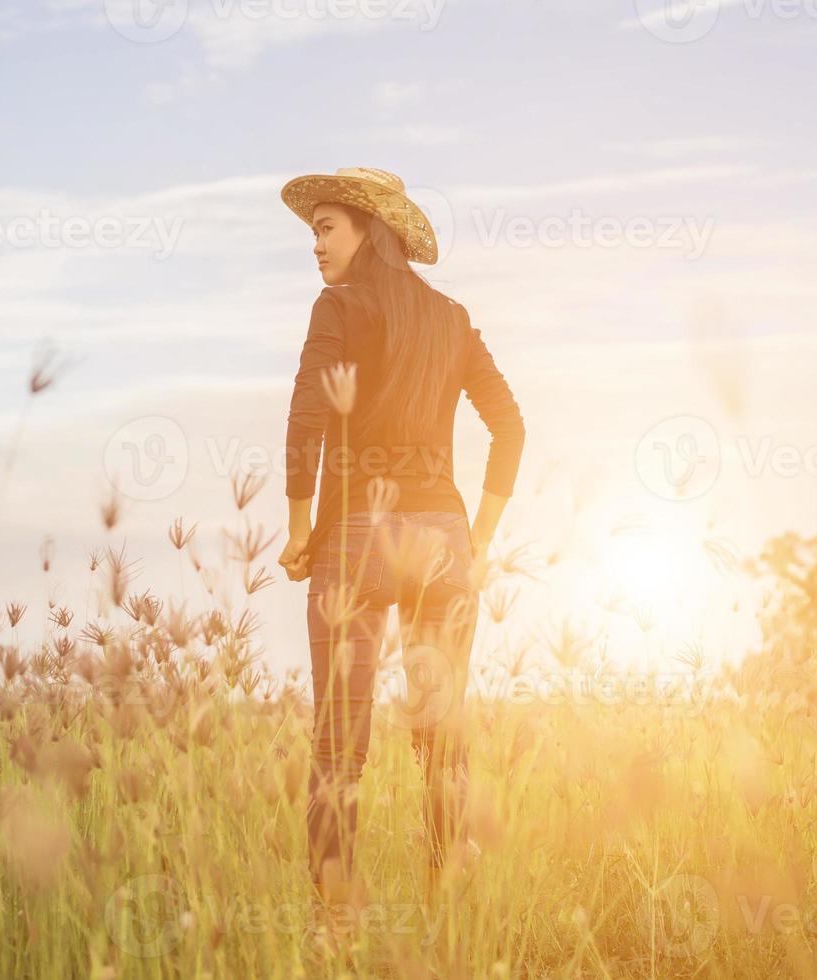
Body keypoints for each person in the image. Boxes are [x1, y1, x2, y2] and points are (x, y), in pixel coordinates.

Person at [274, 167, 526, 938]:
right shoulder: (452, 317)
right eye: (313, 230)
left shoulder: (339, 304)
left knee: (340, 745)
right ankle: (449, 912)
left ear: (366, 229)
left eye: (326, 228)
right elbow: (511, 428)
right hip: (444, 541)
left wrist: (296, 527)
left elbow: (307, 416)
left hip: (354, 536)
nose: (314, 244)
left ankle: (334, 930)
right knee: (441, 741)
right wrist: (475, 538)